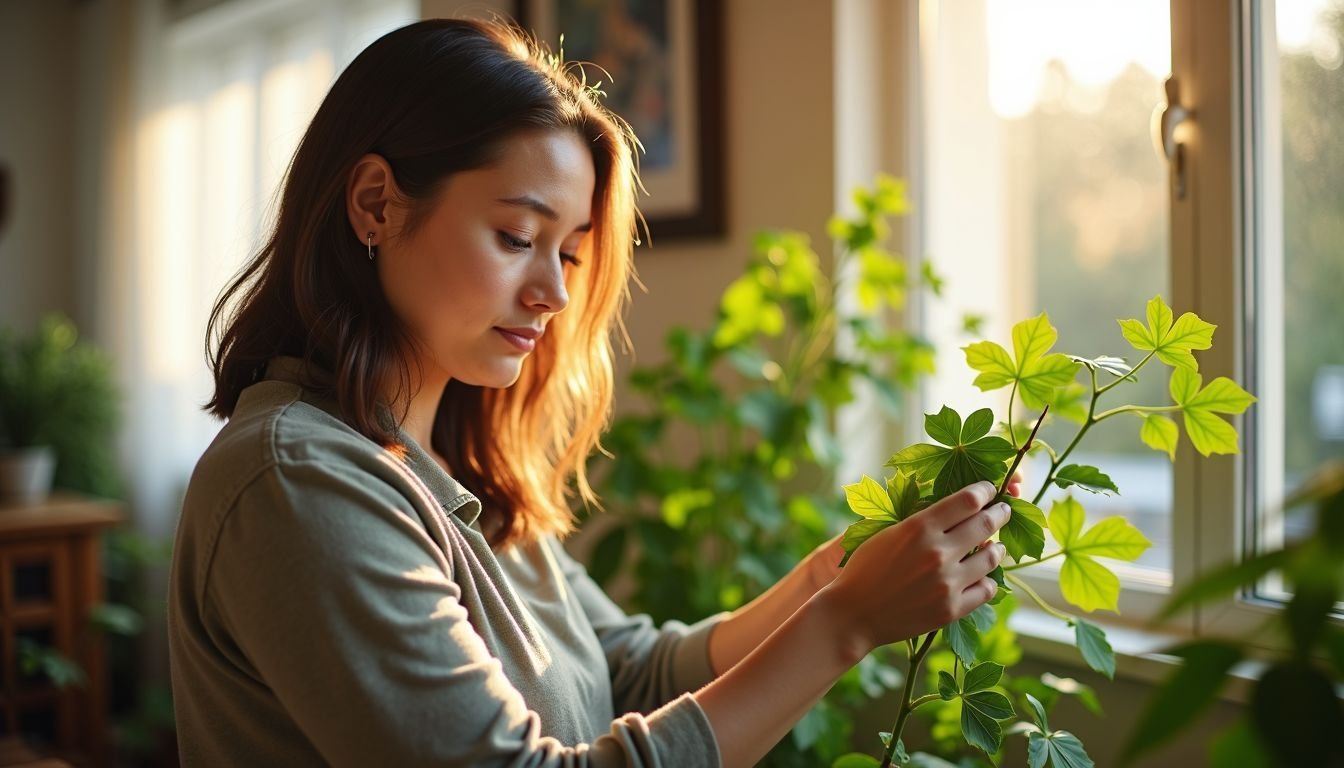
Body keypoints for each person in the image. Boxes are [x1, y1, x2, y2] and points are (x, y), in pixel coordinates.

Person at [166, 17, 1012, 768]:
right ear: (376, 204)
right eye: (516, 237)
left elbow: (631, 668)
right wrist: (848, 626)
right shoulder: (299, 482)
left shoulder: (447, 467)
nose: (555, 293)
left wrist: (830, 582)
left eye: (567, 252)